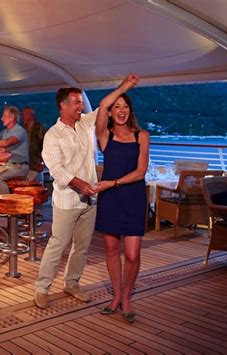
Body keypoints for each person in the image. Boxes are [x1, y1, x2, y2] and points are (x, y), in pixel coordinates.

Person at [34, 88, 98, 309]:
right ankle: (42, 288)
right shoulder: (53, 135)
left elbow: (104, 110)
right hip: (67, 200)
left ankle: (72, 283)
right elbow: (58, 171)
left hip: (90, 200)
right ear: (63, 105)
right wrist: (82, 185)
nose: (82, 107)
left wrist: (124, 87)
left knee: (82, 246)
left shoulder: (85, 124)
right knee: (57, 244)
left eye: (82, 103)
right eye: (77, 103)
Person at [95, 74, 149, 324]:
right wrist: (124, 87)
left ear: (130, 111)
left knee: (133, 254)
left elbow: (141, 172)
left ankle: (127, 296)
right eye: (117, 106)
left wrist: (113, 182)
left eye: (125, 106)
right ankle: (117, 296)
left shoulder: (142, 136)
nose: (121, 110)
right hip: (111, 199)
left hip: (133, 197)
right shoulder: (105, 136)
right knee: (110, 249)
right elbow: (103, 105)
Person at [0, 106, 29, 195]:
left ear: (11, 117)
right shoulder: (4, 132)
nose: (1, 118)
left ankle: (7, 203)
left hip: (19, 166)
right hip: (8, 165)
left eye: (4, 116)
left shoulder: (19, 130)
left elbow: (6, 143)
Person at [22, 107, 46, 182]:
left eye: (24, 115)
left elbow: (45, 146)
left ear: (30, 115)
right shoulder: (23, 129)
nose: (22, 117)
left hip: (37, 166)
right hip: (27, 166)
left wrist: (42, 163)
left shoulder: (38, 128)